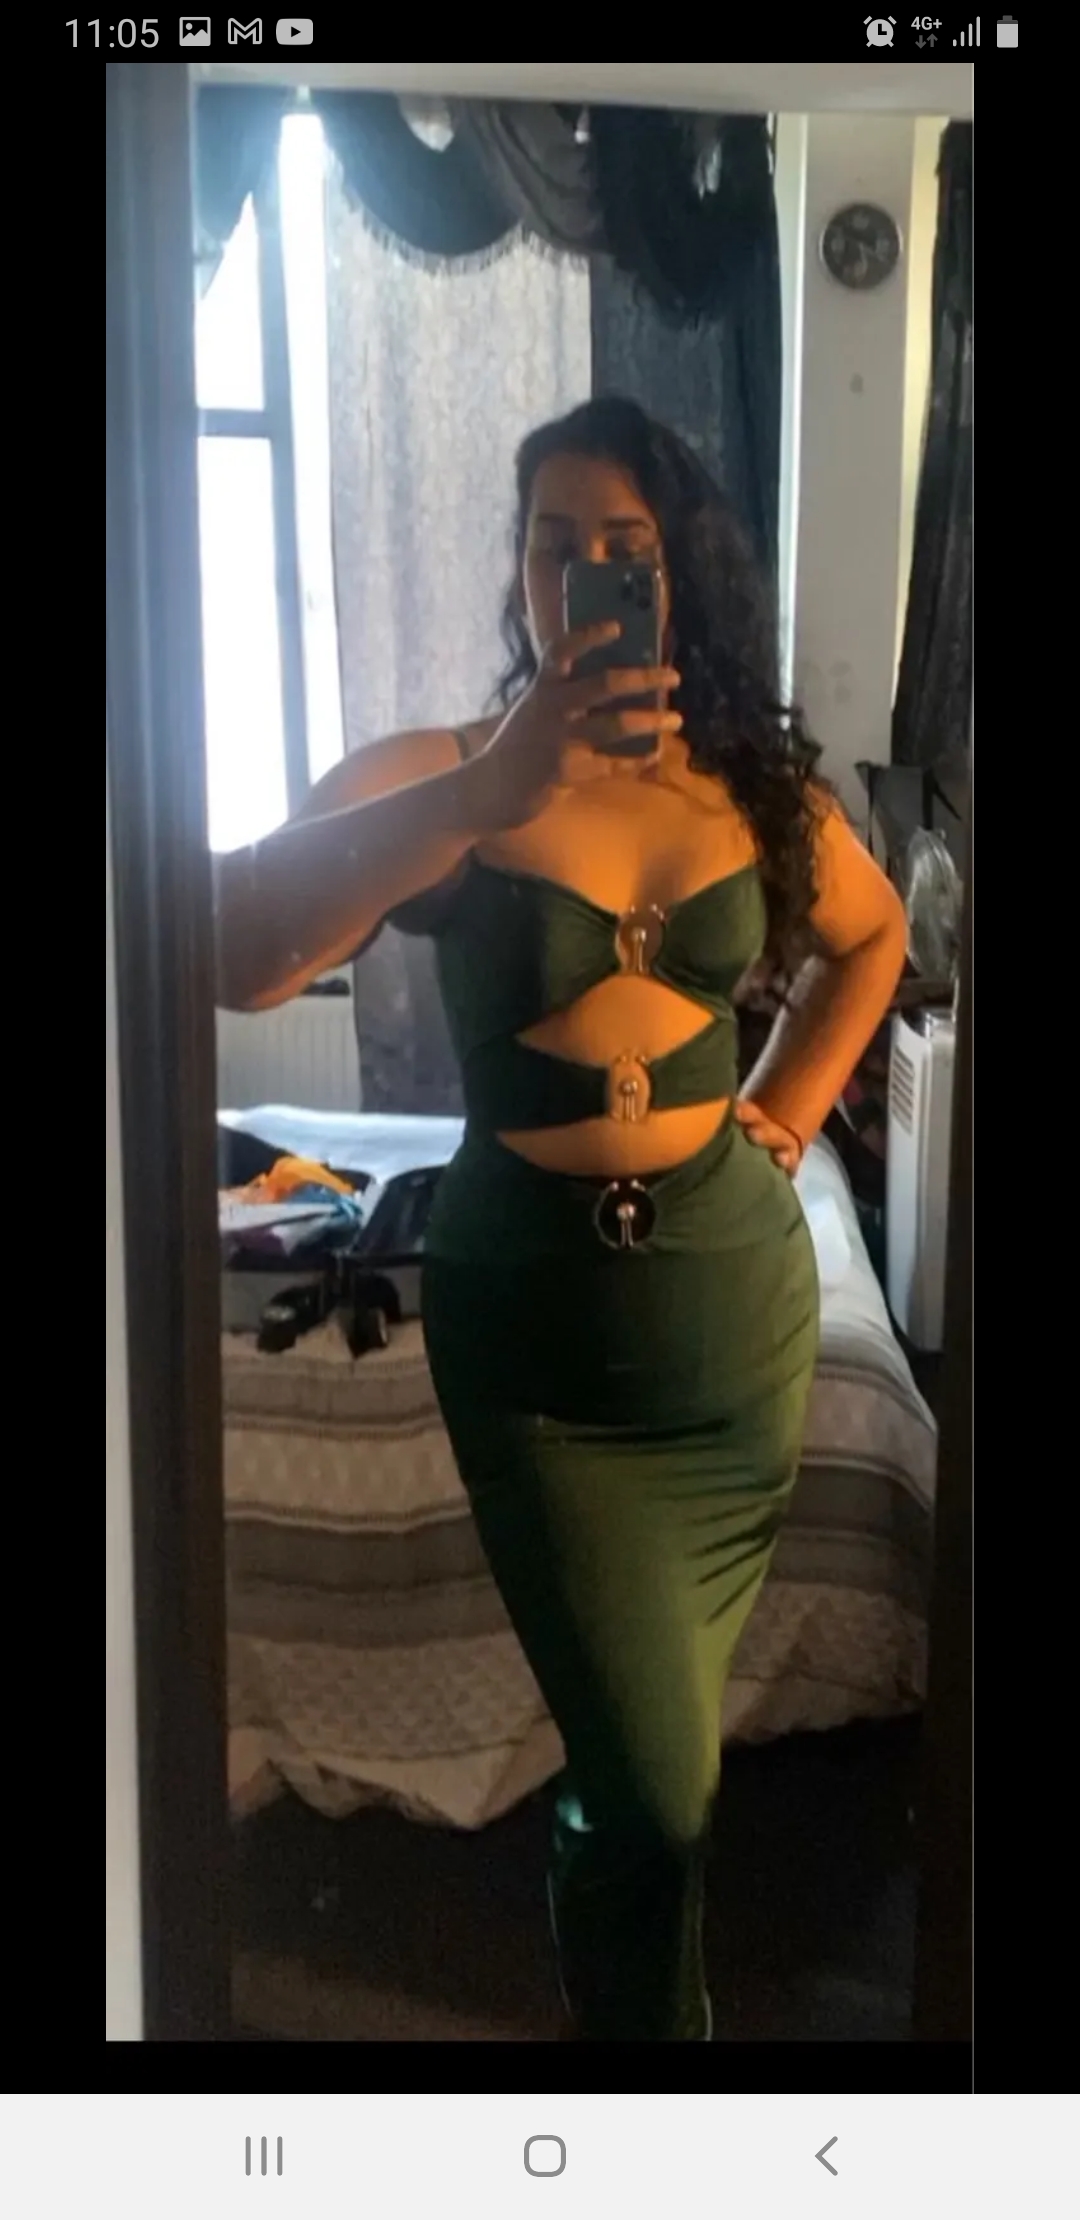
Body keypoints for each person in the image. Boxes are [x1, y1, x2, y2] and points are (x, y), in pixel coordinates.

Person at [215, 397, 907, 2042]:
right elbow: (232, 948)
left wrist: (785, 1114)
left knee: (658, 1762)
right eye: (552, 546)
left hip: (736, 1335)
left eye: (623, 549)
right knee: (651, 1778)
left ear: (679, 575)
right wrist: (489, 791)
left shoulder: (753, 785)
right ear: (517, 569)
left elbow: (872, 940)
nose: (582, 575)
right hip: (535, 1348)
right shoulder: (445, 772)